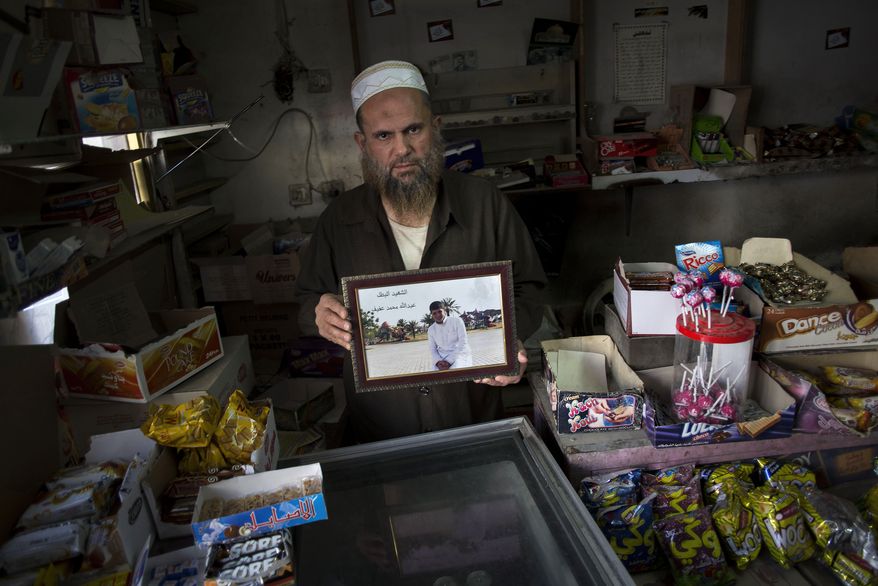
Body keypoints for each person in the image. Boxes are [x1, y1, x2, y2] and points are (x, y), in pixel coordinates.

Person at [294, 60, 546, 443]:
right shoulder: (338, 220)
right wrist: (319, 314)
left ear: (436, 126)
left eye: (414, 129)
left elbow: (530, 289)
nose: (403, 149)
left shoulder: (485, 204)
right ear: (362, 143)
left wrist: (507, 338)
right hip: (379, 432)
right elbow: (305, 301)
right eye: (383, 136)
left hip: (472, 423)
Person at [427, 301, 472, 371]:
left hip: (459, 355)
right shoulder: (431, 329)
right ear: (432, 315)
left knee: (455, 371)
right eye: (434, 313)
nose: (438, 315)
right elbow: (433, 349)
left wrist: (448, 361)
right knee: (434, 374)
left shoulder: (457, 321)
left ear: (445, 311)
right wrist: (438, 362)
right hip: (441, 357)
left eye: (439, 312)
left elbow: (463, 343)